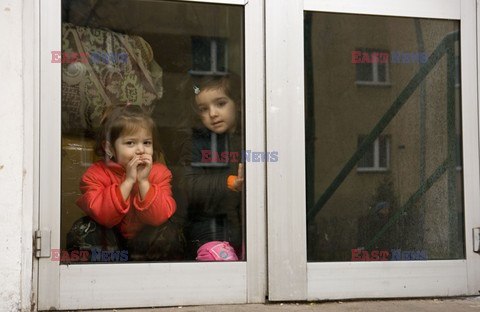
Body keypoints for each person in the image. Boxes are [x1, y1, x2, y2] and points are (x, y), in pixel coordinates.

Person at [67, 104, 184, 261]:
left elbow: (159, 217)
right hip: (111, 246)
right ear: (109, 148)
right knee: (83, 229)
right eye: (130, 143)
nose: (141, 150)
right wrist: (128, 181)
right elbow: (104, 216)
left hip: (144, 248)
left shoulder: (160, 173)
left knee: (169, 231)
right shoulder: (95, 175)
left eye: (147, 143)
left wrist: (143, 182)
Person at [179, 74, 244, 261]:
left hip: (245, 229)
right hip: (207, 232)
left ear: (238, 104)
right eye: (203, 109)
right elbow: (189, 184)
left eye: (220, 104)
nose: (213, 113)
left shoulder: (251, 137)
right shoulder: (196, 142)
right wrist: (231, 182)